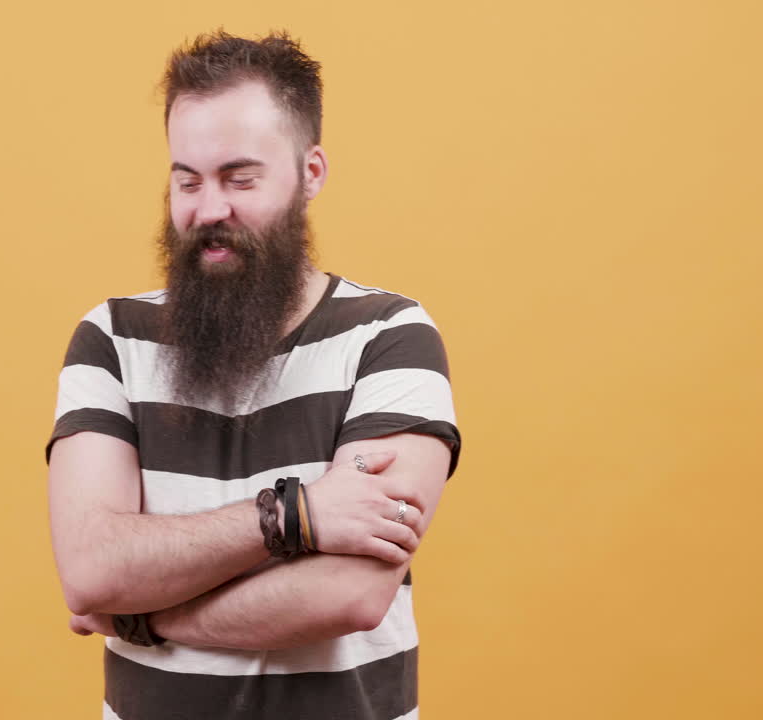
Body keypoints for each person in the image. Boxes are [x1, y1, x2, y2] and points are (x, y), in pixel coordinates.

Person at [45, 29, 462, 720]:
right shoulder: (112, 338)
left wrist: (143, 617)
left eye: (240, 179)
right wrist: (298, 514)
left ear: (310, 172)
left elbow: (350, 595)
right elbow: (91, 569)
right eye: (188, 180)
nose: (209, 210)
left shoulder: (390, 337)